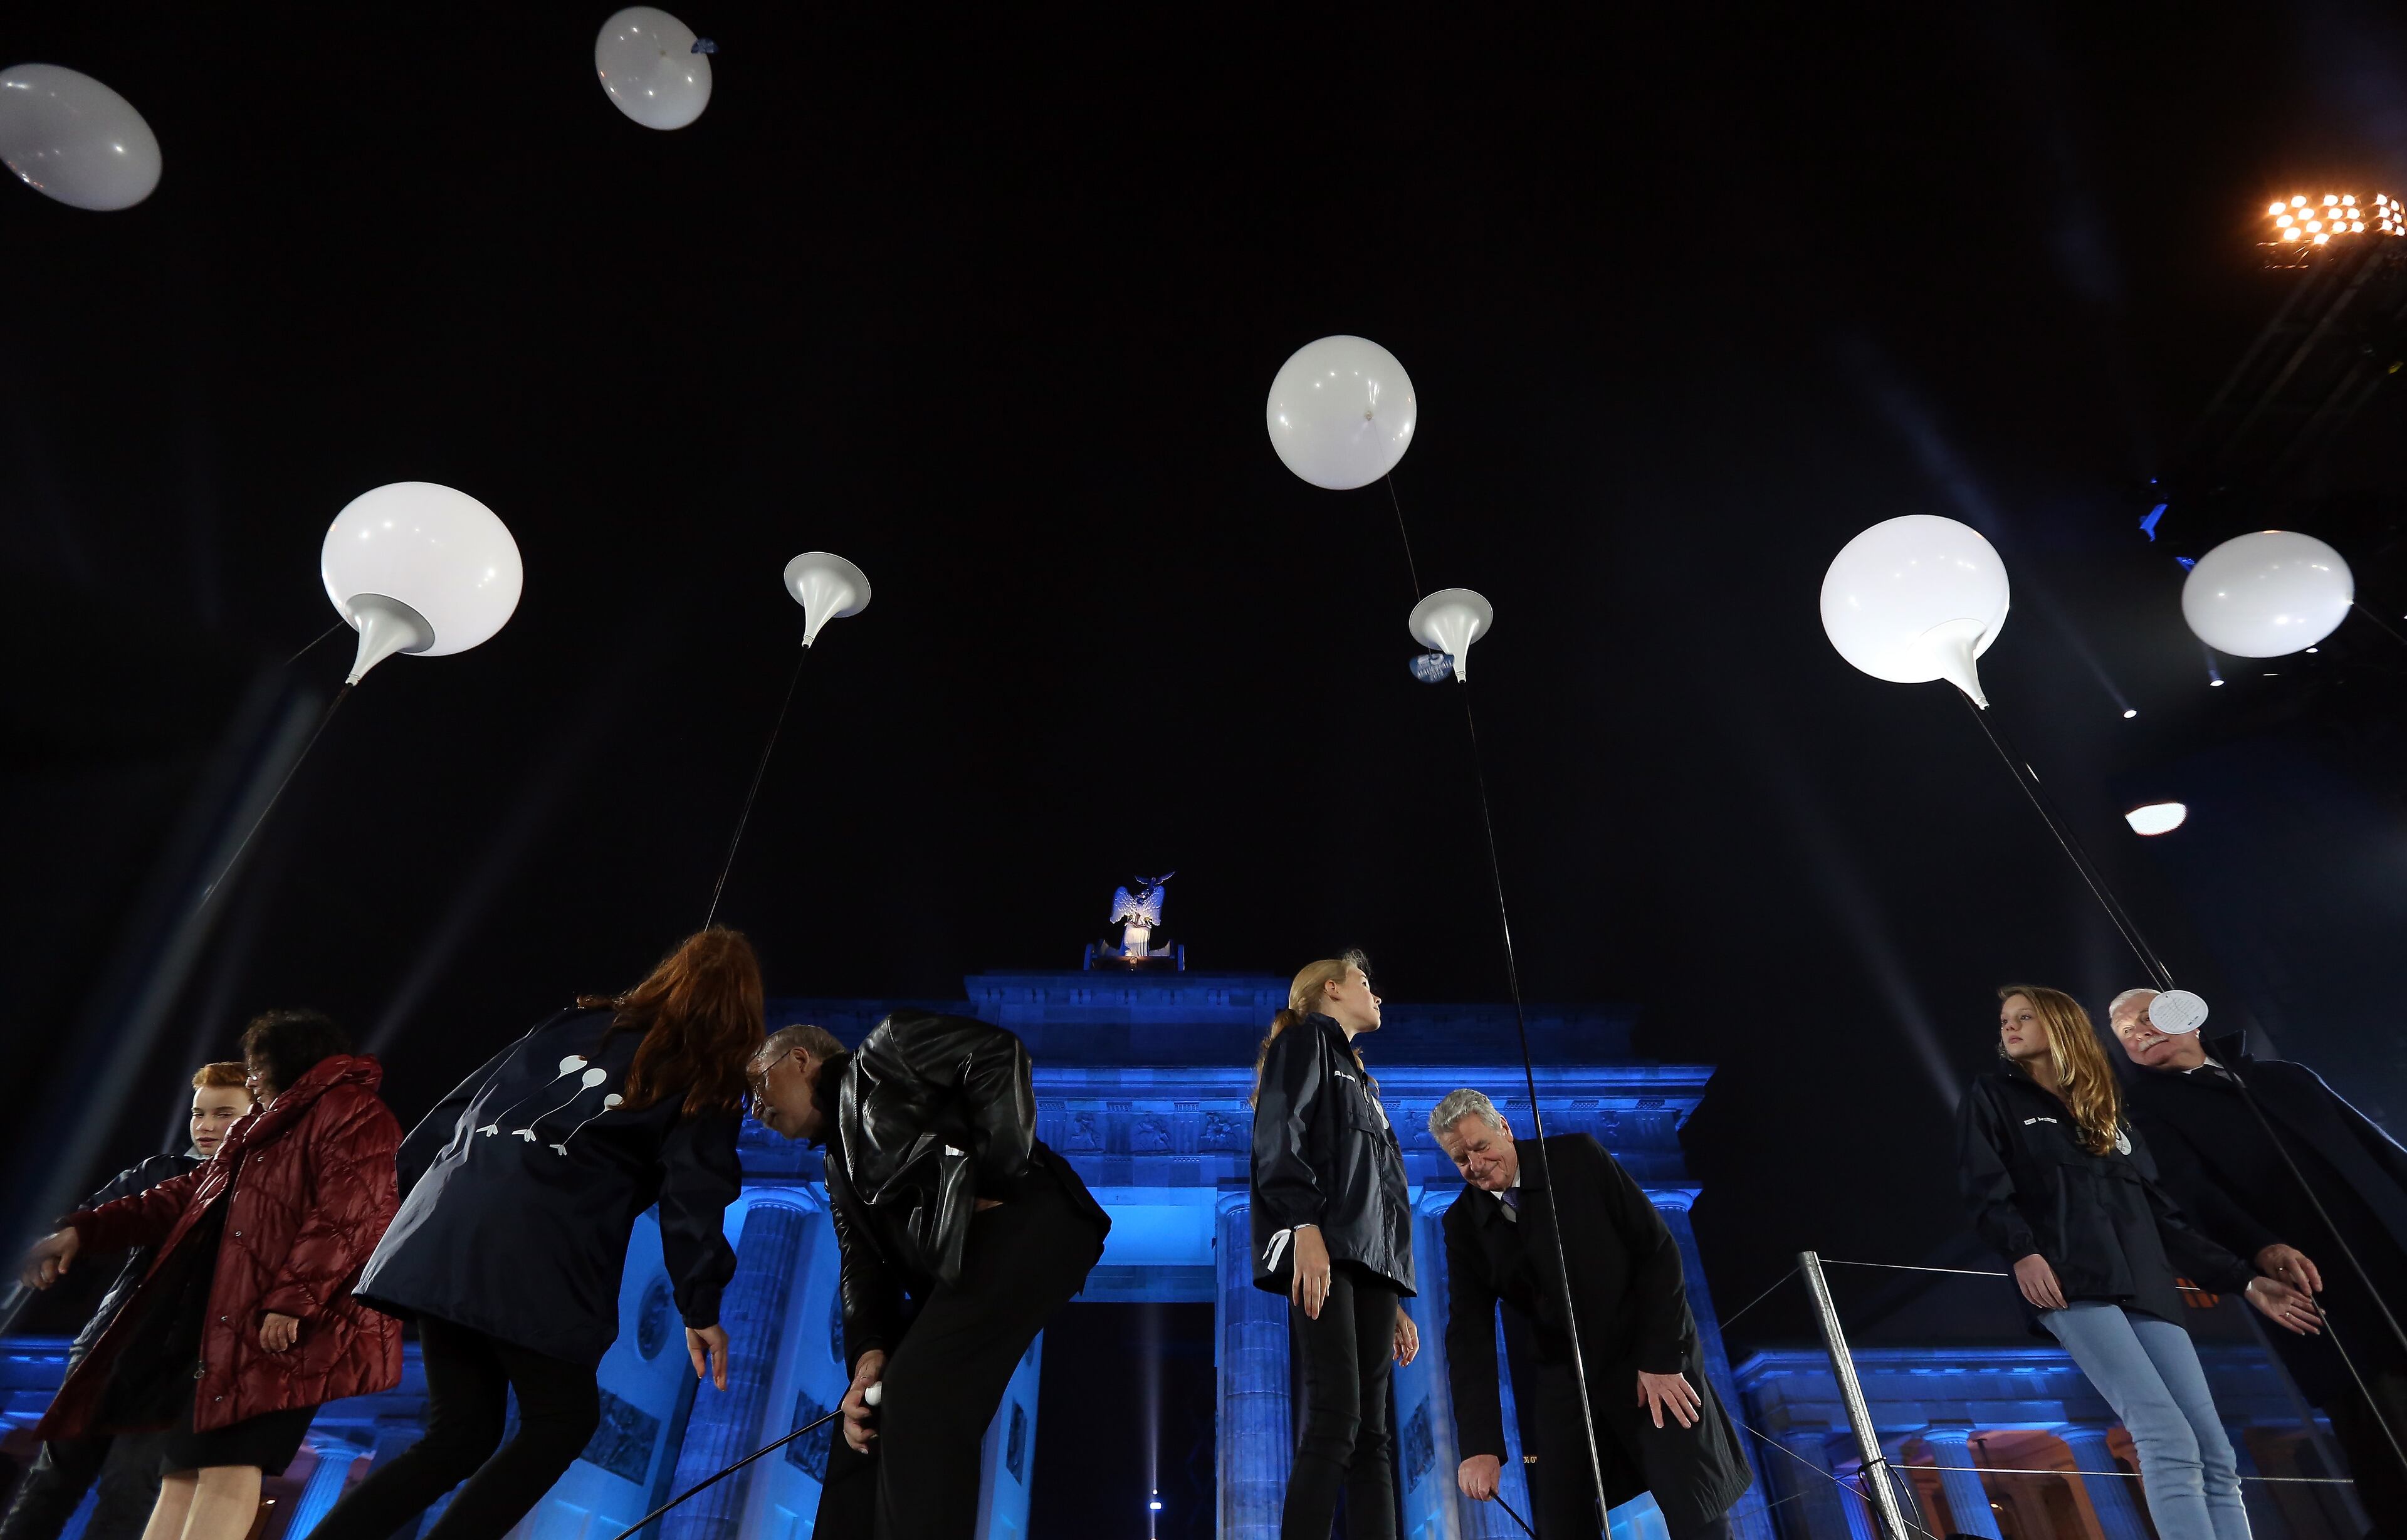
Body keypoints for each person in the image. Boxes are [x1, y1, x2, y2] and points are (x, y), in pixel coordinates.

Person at [302, 928, 757, 1540]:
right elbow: (694, 1194)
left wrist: (391, 1220)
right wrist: (700, 1305)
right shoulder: (706, 1071)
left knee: (458, 1436)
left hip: (444, 1228)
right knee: (562, 1422)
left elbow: (451, 1110)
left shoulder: (568, 1025)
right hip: (542, 1247)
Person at [18, 1012, 403, 1540]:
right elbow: (182, 1195)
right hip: (228, 1326)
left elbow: (350, 1215)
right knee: (181, 1470)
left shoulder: (352, 1112)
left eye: (256, 1067)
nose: (250, 1078)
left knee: (228, 1466)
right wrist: (83, 1231)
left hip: (283, 1329)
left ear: (289, 1062)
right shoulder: (259, 1127)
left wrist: (291, 1301)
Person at [1960, 985, 2322, 1540]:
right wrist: (2023, 1251)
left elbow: (2165, 1219)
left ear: (2061, 1025)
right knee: (2162, 1435)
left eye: (2025, 1016)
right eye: (2006, 1019)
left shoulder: (2110, 1109)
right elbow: (1986, 1187)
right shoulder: (1994, 1094)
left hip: (2149, 1286)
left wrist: (2245, 1280)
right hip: (2071, 1284)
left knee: (2215, 1449)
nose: (2009, 1027)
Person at [748, 1006, 1111, 1540]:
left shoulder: (887, 1047)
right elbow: (861, 1264)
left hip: (1026, 1222)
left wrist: (996, 1178)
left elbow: (997, 1054)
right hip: (962, 1264)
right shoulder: (834, 1166)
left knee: (921, 1394)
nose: (755, 1108)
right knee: (864, 1423)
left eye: (758, 1086)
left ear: (800, 1059)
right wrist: (869, 1355)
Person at [2110, 986, 2407, 1538]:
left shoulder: (2285, 1078)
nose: (2136, 1033)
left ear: (2188, 1016)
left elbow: (2380, 1149)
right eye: (2124, 1032)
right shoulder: (2146, 1111)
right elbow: (2186, 1195)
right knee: (2384, 1430)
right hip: (2317, 1286)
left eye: (2145, 1018)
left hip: (2394, 1255)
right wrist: (2258, 1247)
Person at [1430, 1089, 1749, 1540]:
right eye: (1461, 1159)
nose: (1476, 1166)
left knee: (1696, 1505)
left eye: (1481, 1147)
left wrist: (1662, 1359)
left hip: (1644, 1351)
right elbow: (1468, 1334)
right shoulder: (1461, 1224)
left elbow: (1656, 1252)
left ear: (1504, 1126)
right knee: (1561, 1519)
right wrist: (1480, 1444)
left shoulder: (1579, 1158)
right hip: (1564, 1375)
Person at [0, 1065, 251, 1540]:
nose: (206, 1125)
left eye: (225, 1113)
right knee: (50, 1481)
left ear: (259, 1116)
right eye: (199, 1112)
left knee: (131, 1492)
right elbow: (92, 1220)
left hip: (182, 1362)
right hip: (108, 1345)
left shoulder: (265, 1193)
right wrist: (57, 1248)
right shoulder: (159, 1170)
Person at [1247, 952, 1417, 1540]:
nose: (1377, 995)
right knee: (1336, 1415)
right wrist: (1303, 1225)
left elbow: (1387, 1191)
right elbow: (1279, 1131)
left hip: (1371, 1263)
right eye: (1366, 983)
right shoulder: (1304, 1044)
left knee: (1374, 1433)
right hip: (1324, 1247)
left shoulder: (1367, 1082)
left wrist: (1395, 1290)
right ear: (1331, 989)